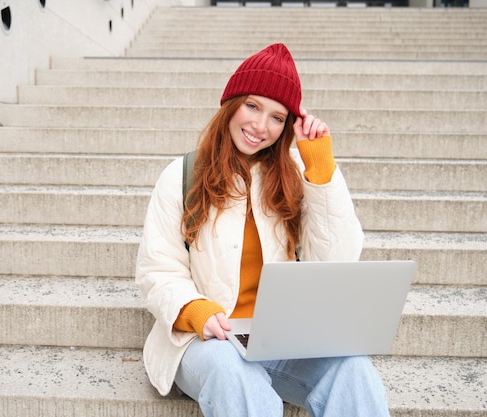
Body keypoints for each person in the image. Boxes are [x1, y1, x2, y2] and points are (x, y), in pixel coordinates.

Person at [135, 43, 390, 417]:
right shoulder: (181, 175)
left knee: (352, 367)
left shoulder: (295, 178)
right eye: (252, 106)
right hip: (205, 341)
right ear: (231, 104)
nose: (260, 125)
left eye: (276, 116)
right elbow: (157, 269)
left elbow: (336, 262)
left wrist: (319, 168)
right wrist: (196, 310)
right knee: (233, 373)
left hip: (278, 339)